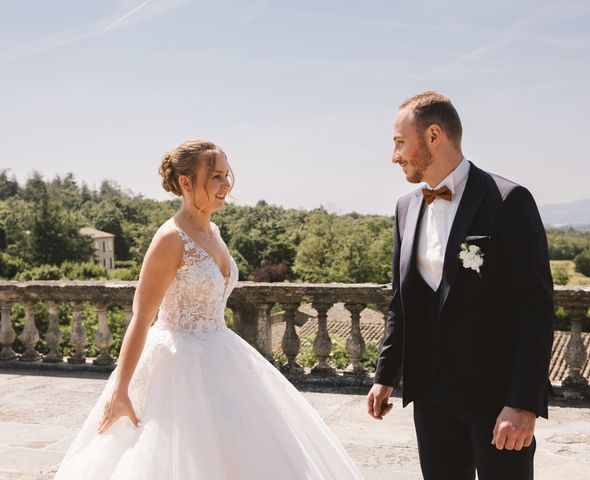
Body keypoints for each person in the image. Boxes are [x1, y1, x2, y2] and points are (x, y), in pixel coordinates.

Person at [54, 140, 364, 479]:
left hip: (223, 352)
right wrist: (120, 390)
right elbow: (141, 318)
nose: (226, 185)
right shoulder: (170, 239)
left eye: (226, 175)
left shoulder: (214, 231)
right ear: (186, 183)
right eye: (215, 177)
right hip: (176, 366)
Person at [367, 92, 554, 480]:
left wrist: (523, 403)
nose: (395, 156)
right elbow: (402, 300)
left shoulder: (507, 201)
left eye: (400, 143)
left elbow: (535, 310)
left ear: (433, 135)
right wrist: (386, 375)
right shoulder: (405, 208)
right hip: (430, 395)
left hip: (496, 398)